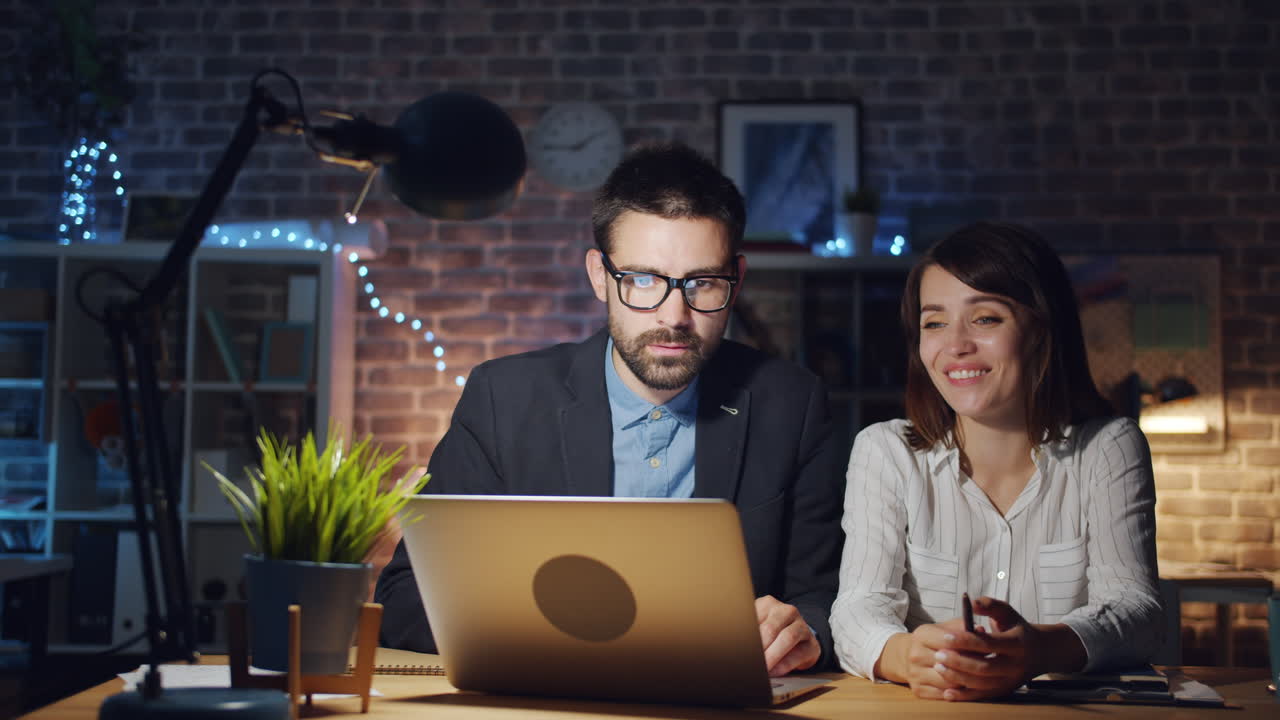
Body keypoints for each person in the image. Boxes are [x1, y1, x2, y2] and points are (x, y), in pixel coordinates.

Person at [376, 142, 845, 675]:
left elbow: (826, 600)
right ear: (600, 275)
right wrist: (545, 638)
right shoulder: (501, 399)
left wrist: (802, 632)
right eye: (642, 279)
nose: (675, 315)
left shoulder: (793, 404)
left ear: (735, 280)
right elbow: (404, 598)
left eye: (702, 283)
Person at [830, 222, 1162, 700]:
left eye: (985, 318)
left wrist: (1040, 650)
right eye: (934, 322)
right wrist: (908, 656)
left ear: (1040, 329)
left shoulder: (1108, 447)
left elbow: (1137, 610)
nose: (955, 344)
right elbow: (858, 608)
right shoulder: (886, 451)